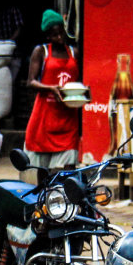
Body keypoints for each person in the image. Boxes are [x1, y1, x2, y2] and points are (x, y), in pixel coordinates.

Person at [24, 9, 81, 171]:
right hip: (44, 117)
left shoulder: (74, 52)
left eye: (61, 33)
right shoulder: (41, 51)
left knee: (68, 167)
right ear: (48, 36)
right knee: (41, 170)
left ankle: (66, 196)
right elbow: (31, 82)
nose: (60, 37)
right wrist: (51, 88)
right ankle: (44, 196)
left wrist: (82, 93)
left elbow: (78, 81)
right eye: (55, 35)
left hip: (68, 117)